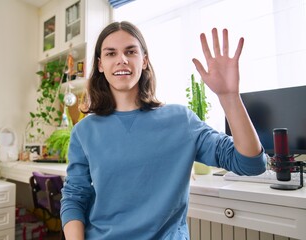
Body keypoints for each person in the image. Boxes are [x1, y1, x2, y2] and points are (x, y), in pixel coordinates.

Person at [60, 21, 266, 240]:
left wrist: (228, 96)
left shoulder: (181, 120)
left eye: (131, 51)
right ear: (101, 64)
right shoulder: (84, 131)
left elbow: (250, 163)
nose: (122, 59)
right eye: (111, 53)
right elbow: (75, 197)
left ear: (145, 60)